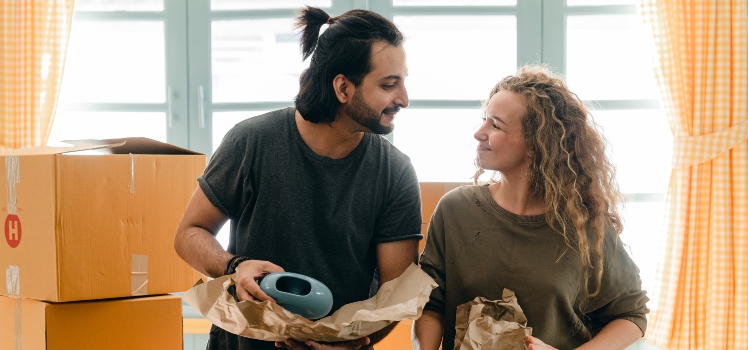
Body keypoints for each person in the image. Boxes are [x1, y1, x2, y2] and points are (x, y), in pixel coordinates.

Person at [174, 6, 422, 350]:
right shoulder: (251, 141)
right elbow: (189, 234)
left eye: (403, 82)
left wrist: (353, 343)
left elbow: (395, 296)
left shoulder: (396, 172)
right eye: (389, 84)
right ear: (342, 88)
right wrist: (235, 266)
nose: (404, 99)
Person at [412, 65, 650, 350]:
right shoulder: (455, 211)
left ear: (537, 144)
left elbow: (631, 315)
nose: (479, 132)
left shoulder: (584, 225)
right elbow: (430, 304)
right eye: (483, 119)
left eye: (495, 125)